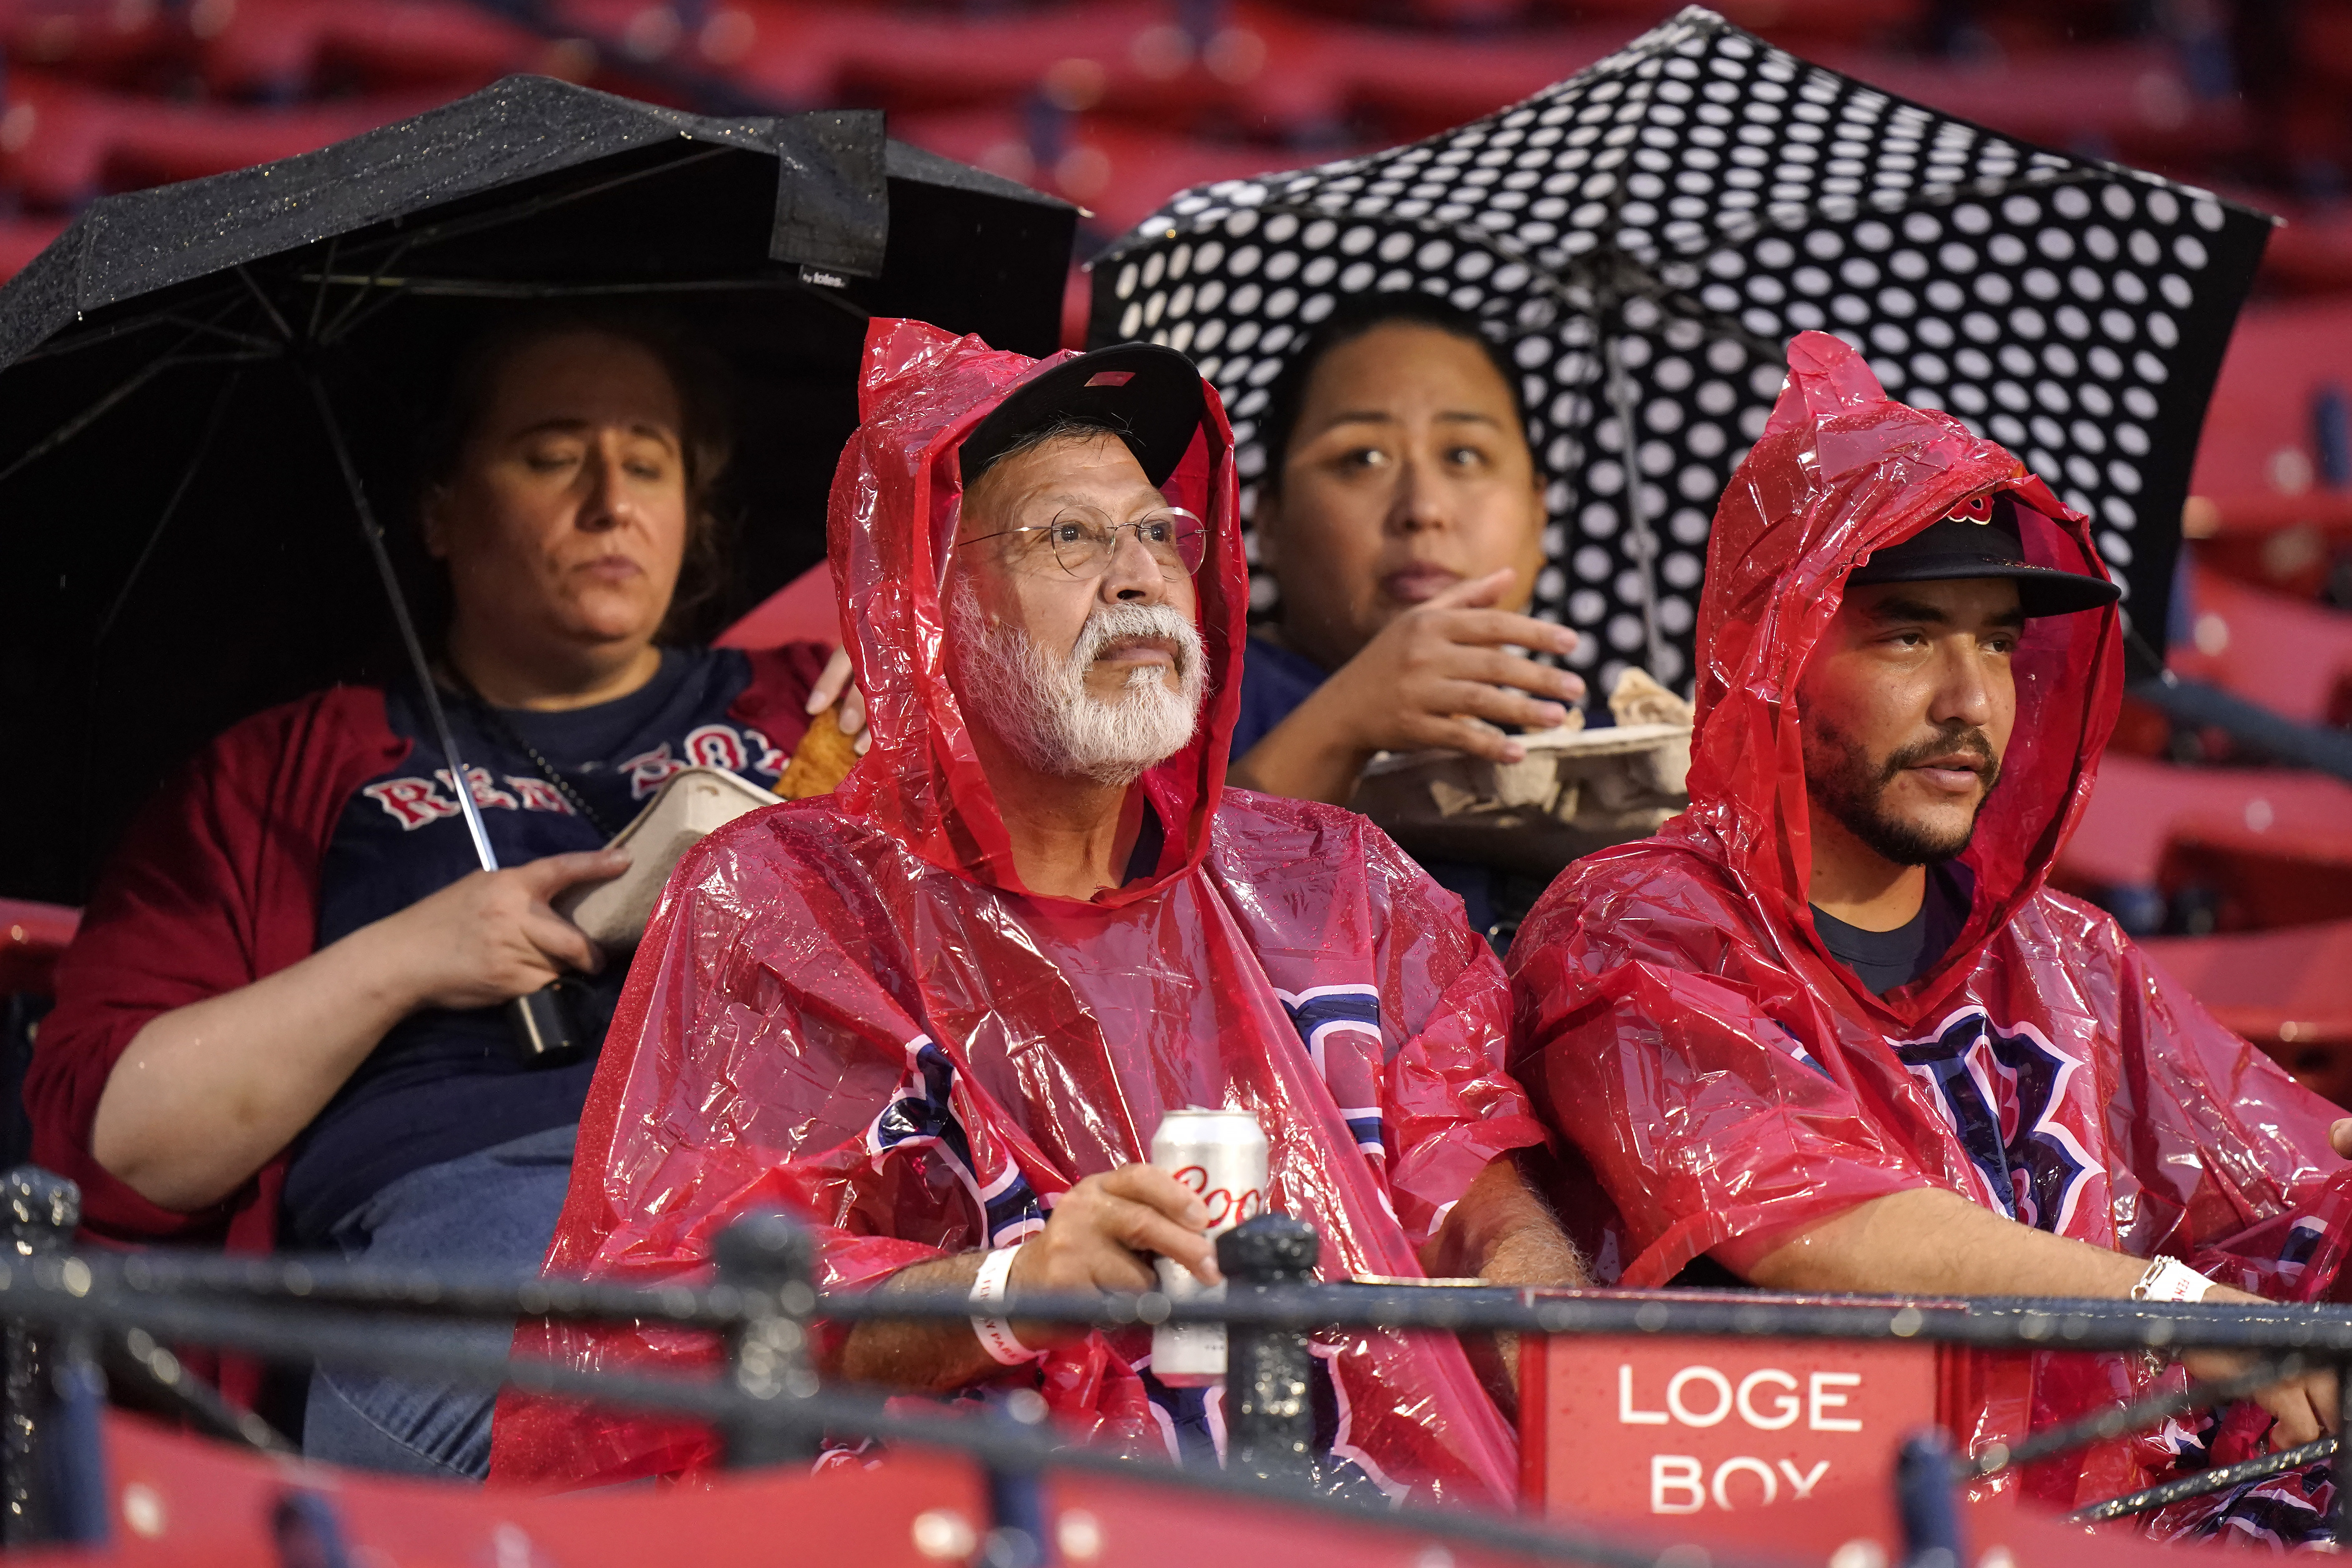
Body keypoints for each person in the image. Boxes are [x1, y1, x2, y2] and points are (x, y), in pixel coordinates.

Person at [489, 319, 1585, 1500]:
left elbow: (1477, 1209)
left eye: (1158, 532)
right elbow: (705, 1312)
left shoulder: (1339, 881)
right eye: (1070, 535)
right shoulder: (789, 903)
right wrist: (1021, 1290)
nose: (1138, 575)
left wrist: (1551, 1333)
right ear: (933, 606)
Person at [1507, 331, 2352, 1542]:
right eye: (1909, 636)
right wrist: (2173, 1304)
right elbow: (1806, 1218)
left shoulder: (2063, 955)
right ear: (1776, 661)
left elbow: (2286, 1197)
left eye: (1999, 644)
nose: (1970, 699)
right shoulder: (1633, 927)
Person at [25, 308, 863, 1479]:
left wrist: (932, 699)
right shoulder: (276, 774)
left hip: (798, 1192)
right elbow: (111, 1143)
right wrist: (409, 955)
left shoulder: (811, 710)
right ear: (437, 510)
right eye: (551, 453)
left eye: (648, 458)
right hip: (484, 1232)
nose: (608, 498)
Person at [1227, 293, 1588, 941]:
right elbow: (1148, 930)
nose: (1422, 507)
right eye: (1362, 458)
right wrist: (1342, 726)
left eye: (1464, 456)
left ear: (1539, 514)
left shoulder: (1597, 736)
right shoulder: (1186, 704)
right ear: (1269, 519)